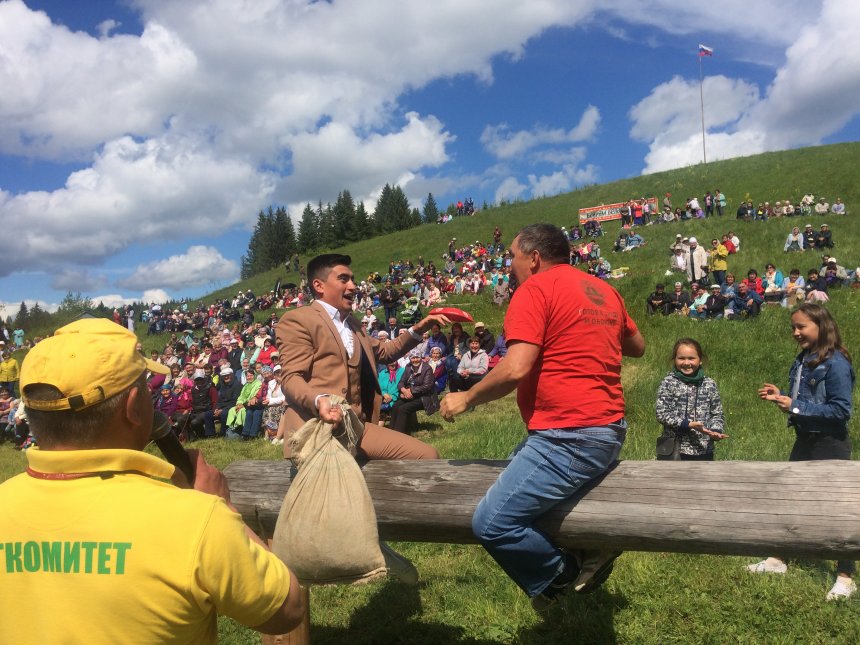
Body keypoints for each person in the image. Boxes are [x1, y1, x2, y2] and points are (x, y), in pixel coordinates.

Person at [0, 318, 303, 642]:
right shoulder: (197, 520)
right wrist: (221, 505)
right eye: (144, 387)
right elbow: (287, 610)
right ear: (133, 408)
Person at [440, 223, 645, 611]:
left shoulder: (533, 289)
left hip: (569, 434)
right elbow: (637, 346)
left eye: (512, 257)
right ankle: (592, 545)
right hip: (606, 428)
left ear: (533, 258)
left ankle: (561, 575)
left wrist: (466, 397)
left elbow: (516, 368)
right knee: (517, 488)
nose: (509, 266)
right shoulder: (603, 289)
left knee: (492, 522)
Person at [275, 253, 447, 461]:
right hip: (317, 429)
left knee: (428, 455)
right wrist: (319, 400)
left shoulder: (354, 325)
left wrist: (418, 329)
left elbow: (385, 352)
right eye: (343, 279)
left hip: (356, 428)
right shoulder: (298, 320)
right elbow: (291, 378)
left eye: (353, 279)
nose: (353, 286)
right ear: (319, 286)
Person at [751, 304, 856, 601]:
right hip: (806, 439)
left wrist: (795, 407)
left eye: (802, 327)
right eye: (793, 328)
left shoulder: (836, 363)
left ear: (821, 326)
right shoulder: (804, 359)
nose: (796, 333)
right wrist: (783, 397)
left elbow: (840, 410)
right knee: (790, 498)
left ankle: (846, 575)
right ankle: (779, 558)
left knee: (836, 509)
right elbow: (806, 397)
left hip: (830, 443)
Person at [655, 338, 727, 460]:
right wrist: (687, 424)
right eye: (681, 358)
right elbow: (662, 413)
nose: (686, 363)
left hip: (704, 450)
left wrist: (715, 431)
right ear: (674, 360)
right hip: (674, 449)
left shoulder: (709, 384)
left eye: (691, 358)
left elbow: (717, 414)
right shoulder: (669, 382)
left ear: (700, 360)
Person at [388, 350, 439, 434]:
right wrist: (404, 390)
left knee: (403, 409)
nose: (415, 360)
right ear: (410, 359)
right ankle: (392, 432)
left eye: (417, 357)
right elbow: (401, 382)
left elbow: (427, 386)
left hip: (425, 397)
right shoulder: (408, 367)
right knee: (396, 406)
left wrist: (410, 391)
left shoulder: (427, 368)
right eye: (413, 358)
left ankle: (400, 434)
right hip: (411, 395)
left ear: (421, 358)